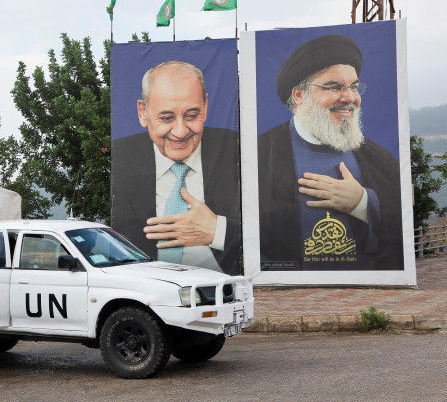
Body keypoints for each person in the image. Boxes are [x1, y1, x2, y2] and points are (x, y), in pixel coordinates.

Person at [258, 34, 403, 271]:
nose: (349, 98)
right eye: (334, 87)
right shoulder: (260, 154)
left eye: (354, 87)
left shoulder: (381, 159)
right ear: (299, 95)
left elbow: (402, 226)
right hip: (287, 292)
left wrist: (362, 203)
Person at [112, 60, 242, 275]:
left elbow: (276, 231)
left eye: (191, 116)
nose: (181, 132)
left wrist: (218, 231)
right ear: (142, 112)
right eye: (167, 117)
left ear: (205, 106)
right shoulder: (123, 156)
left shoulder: (238, 148)